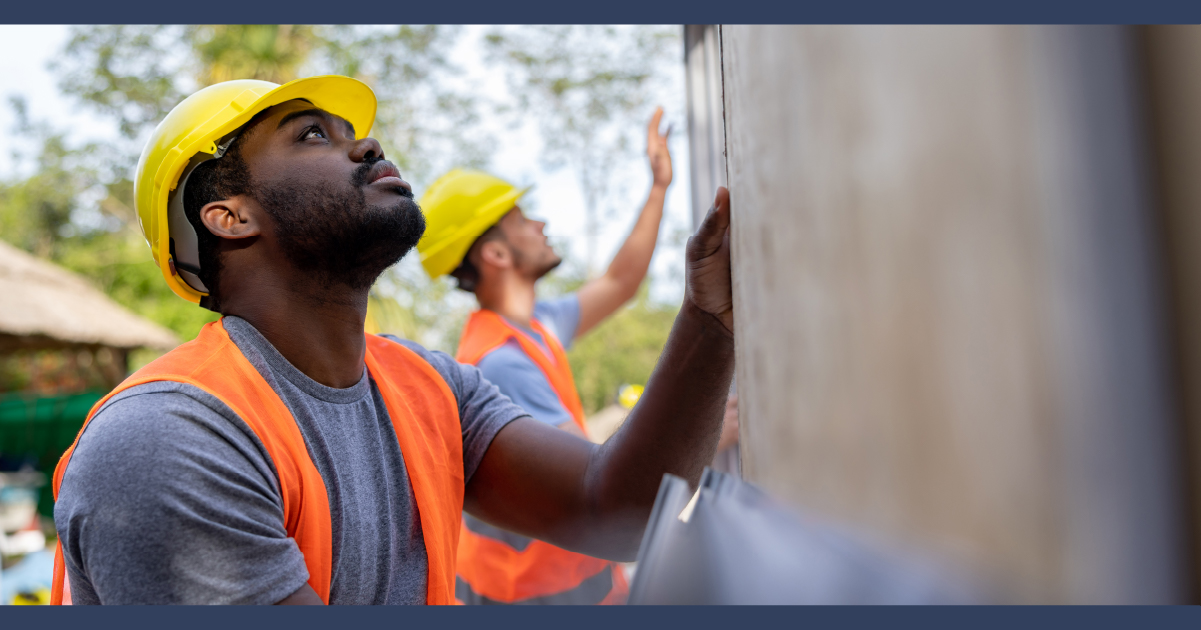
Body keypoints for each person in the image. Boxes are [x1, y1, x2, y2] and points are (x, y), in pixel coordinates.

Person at [49, 76, 735, 605]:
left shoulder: (428, 387)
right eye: (312, 135)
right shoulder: (172, 439)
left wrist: (711, 324)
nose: (369, 145)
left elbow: (611, 509)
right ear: (230, 217)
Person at [415, 110, 674, 605]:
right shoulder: (503, 362)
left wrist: (659, 187)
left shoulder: (534, 329)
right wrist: (699, 428)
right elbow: (603, 476)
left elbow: (621, 283)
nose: (540, 223)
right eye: (521, 219)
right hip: (540, 596)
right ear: (495, 254)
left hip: (567, 585)